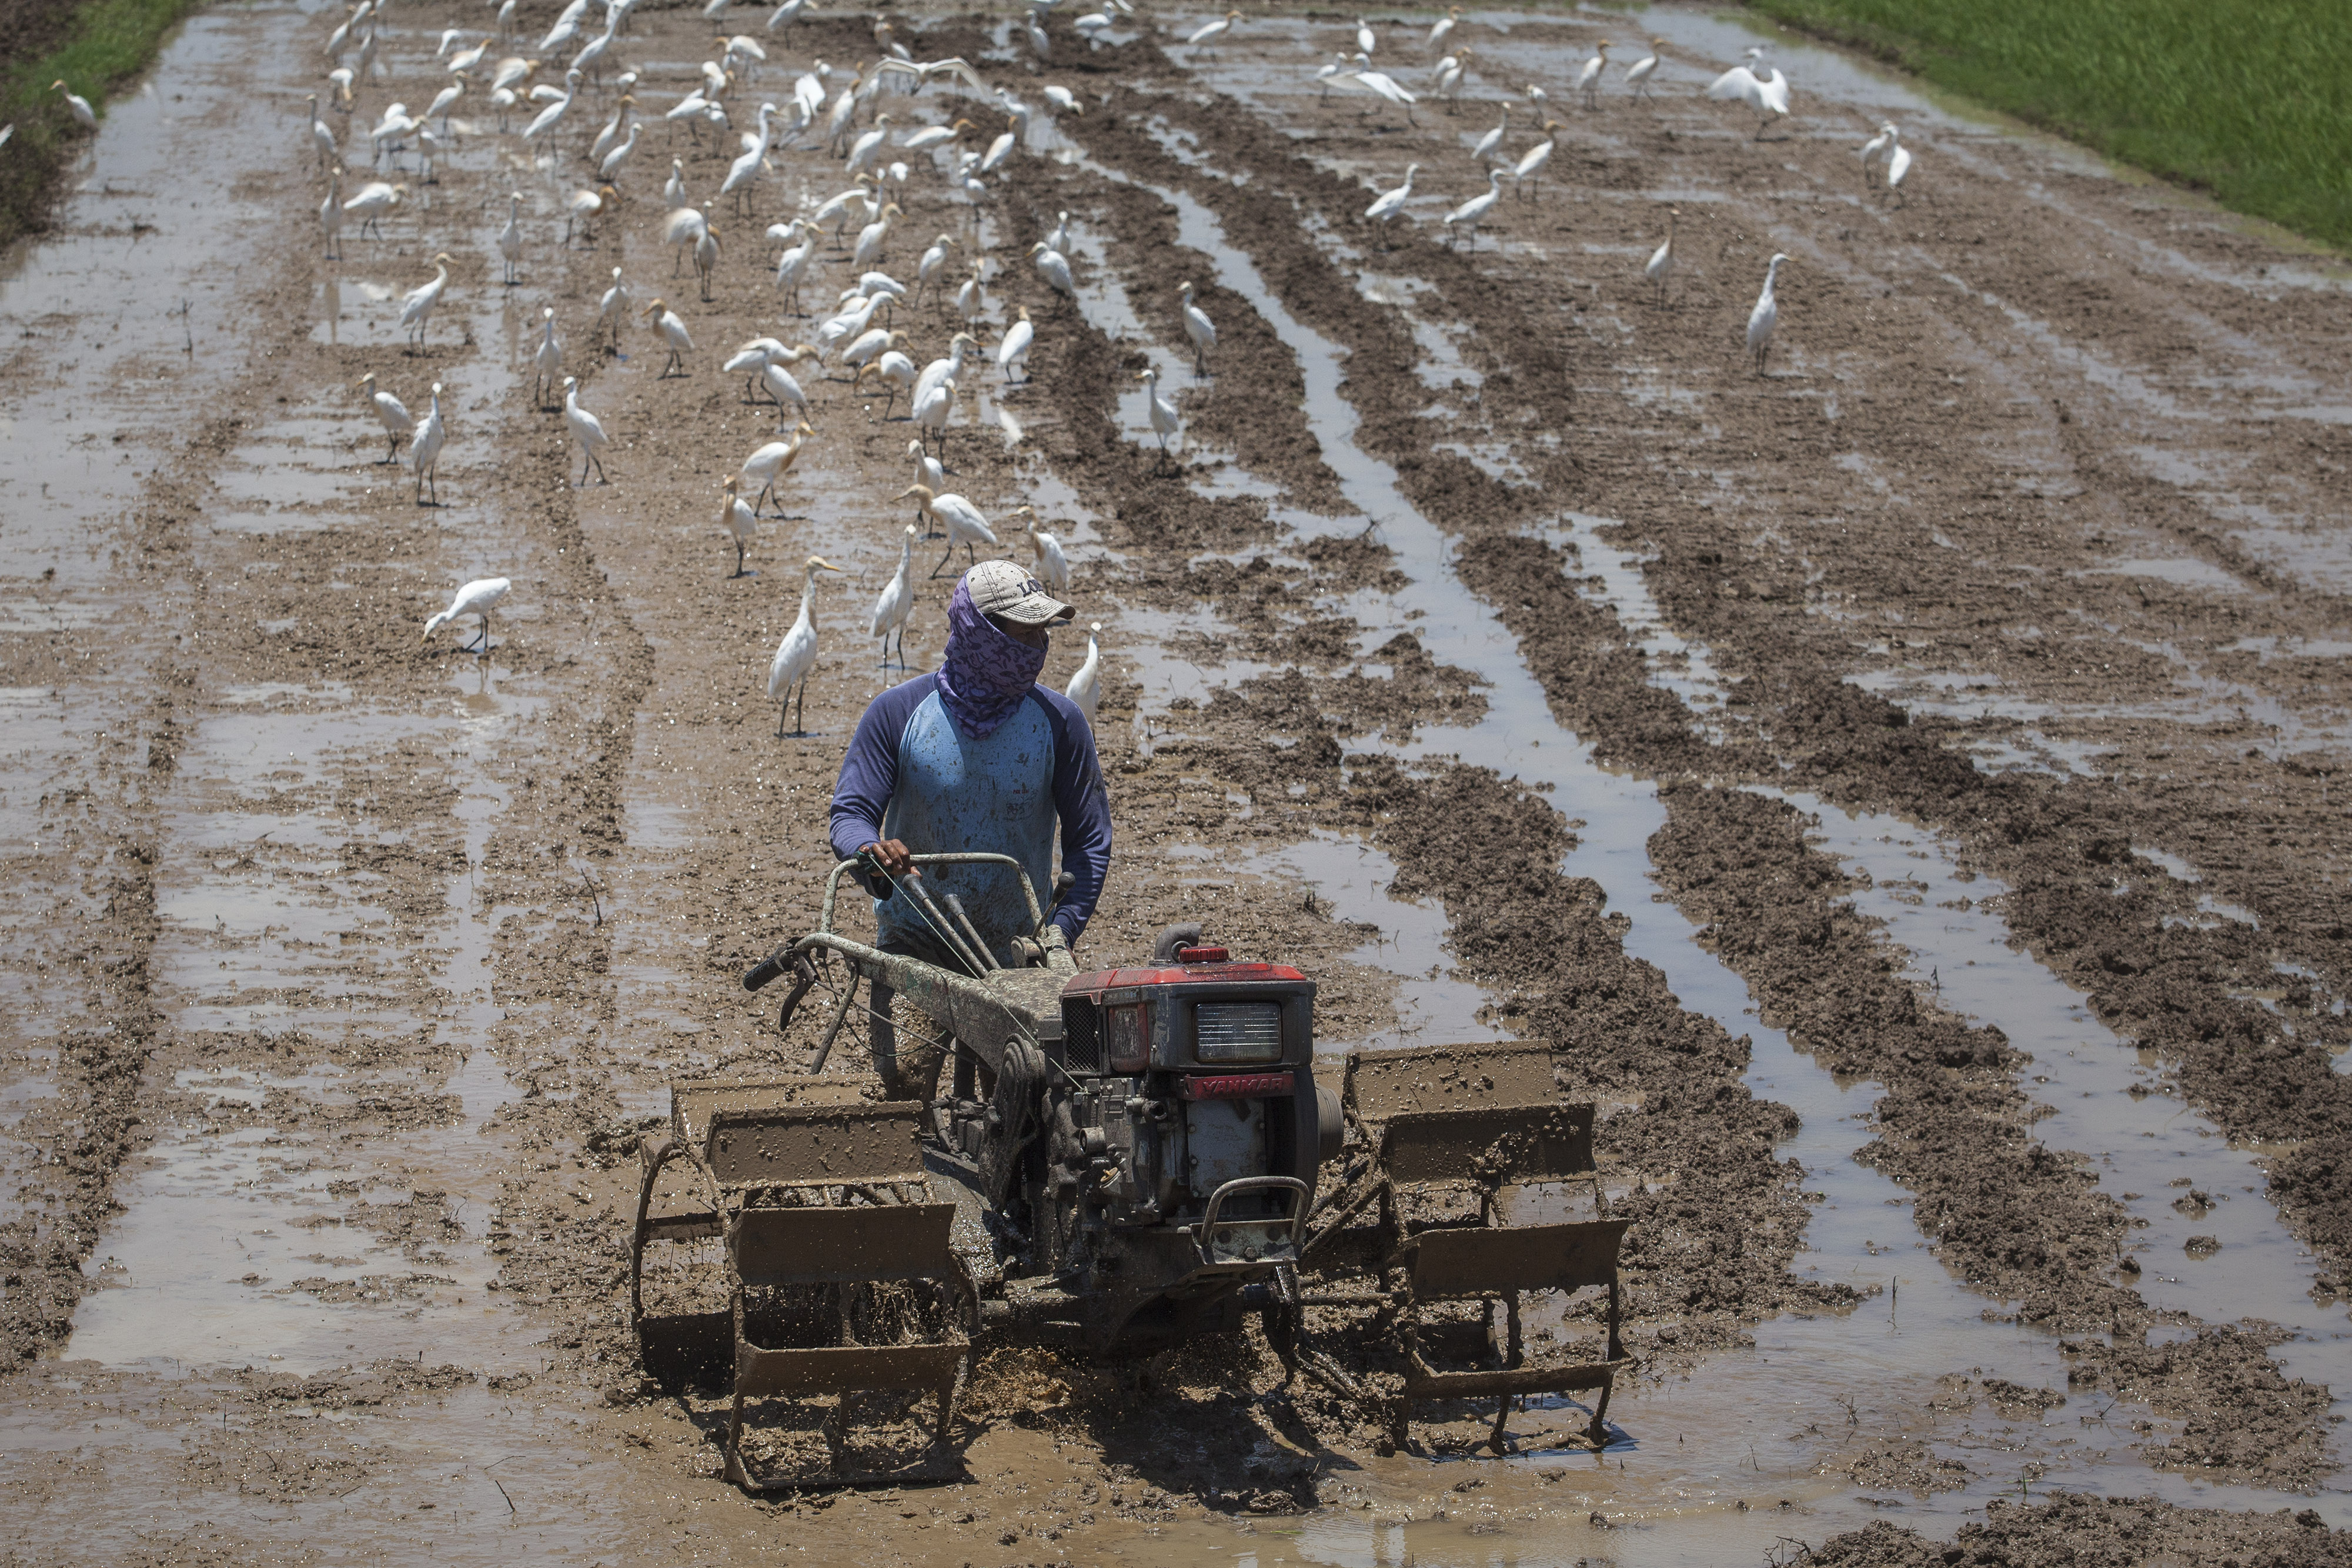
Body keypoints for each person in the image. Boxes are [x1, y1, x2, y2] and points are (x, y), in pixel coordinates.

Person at [829, 559, 1111, 1099]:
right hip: (917, 942)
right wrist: (872, 855)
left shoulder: (1061, 724)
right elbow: (851, 812)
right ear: (979, 633)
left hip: (1019, 950)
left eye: (1041, 631)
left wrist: (1059, 932)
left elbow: (1090, 840)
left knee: (1028, 1104)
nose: (1035, 645)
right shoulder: (899, 714)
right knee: (907, 1087)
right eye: (1020, 631)